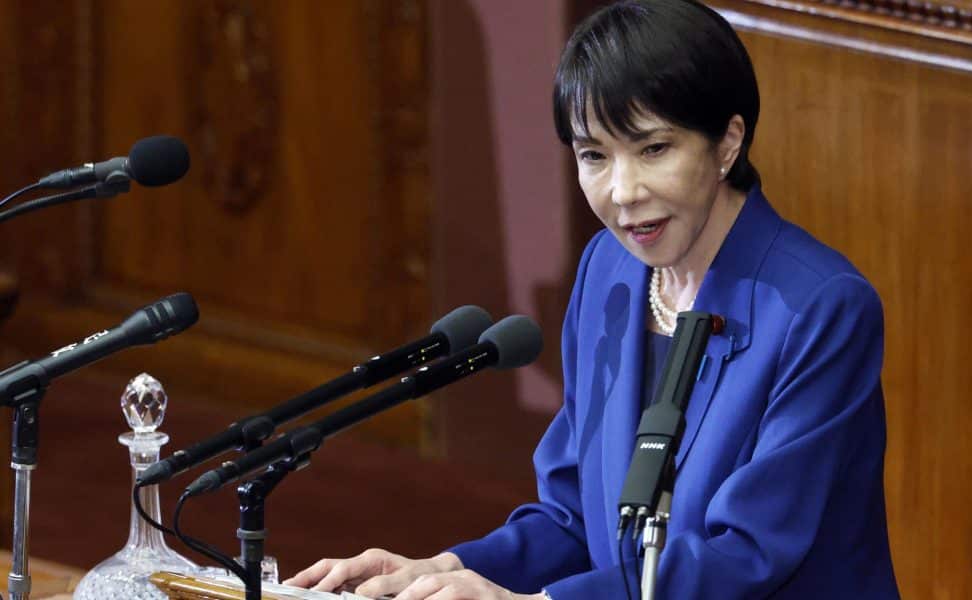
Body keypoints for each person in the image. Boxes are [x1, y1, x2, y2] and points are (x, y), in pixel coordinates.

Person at [286, 0, 900, 597]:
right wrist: (439, 569)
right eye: (593, 156)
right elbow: (573, 517)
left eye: (653, 149)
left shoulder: (820, 309)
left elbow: (746, 553)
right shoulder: (610, 270)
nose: (623, 191)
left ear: (728, 143)